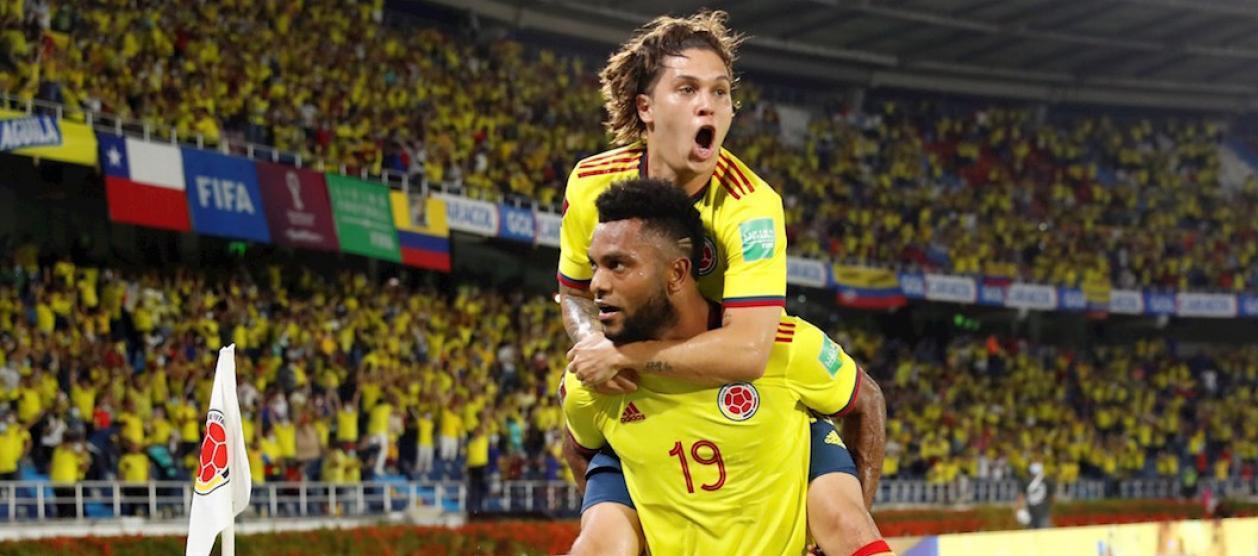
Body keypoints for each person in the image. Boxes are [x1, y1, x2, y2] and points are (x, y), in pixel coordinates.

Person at [558, 11, 887, 554]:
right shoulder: (592, 184)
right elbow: (573, 292)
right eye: (686, 89)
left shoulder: (751, 206)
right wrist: (592, 340)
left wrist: (628, 356)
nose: (707, 104)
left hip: (747, 392)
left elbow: (750, 350)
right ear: (645, 107)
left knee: (847, 526)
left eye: (720, 91)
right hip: (652, 395)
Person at [563, 179, 892, 555]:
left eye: (618, 265)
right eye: (595, 266)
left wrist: (859, 511)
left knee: (849, 525)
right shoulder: (595, 377)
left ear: (676, 273)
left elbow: (866, 400)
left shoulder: (781, 347)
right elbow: (579, 448)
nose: (597, 285)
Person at [1016, 461, 1054, 529]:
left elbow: (1021, 496)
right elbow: (1052, 497)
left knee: (1031, 532)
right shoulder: (1048, 480)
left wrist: (1018, 509)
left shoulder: (1026, 481)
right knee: (1044, 533)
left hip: (1030, 510)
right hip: (1043, 510)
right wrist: (1049, 507)